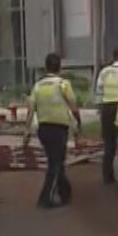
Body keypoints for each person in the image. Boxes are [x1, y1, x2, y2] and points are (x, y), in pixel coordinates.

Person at [27, 53, 82, 209]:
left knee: (56, 160)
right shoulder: (63, 84)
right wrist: (78, 122)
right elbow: (73, 106)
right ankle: (46, 198)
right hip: (59, 128)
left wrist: (26, 132)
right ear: (60, 67)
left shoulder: (37, 86)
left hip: (43, 128)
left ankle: (65, 191)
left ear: (45, 67)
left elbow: (31, 110)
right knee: (55, 163)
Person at [95, 47, 118, 185]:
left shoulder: (104, 72)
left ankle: (107, 177)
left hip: (107, 108)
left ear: (113, 56)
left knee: (109, 143)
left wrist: (100, 108)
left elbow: (98, 91)